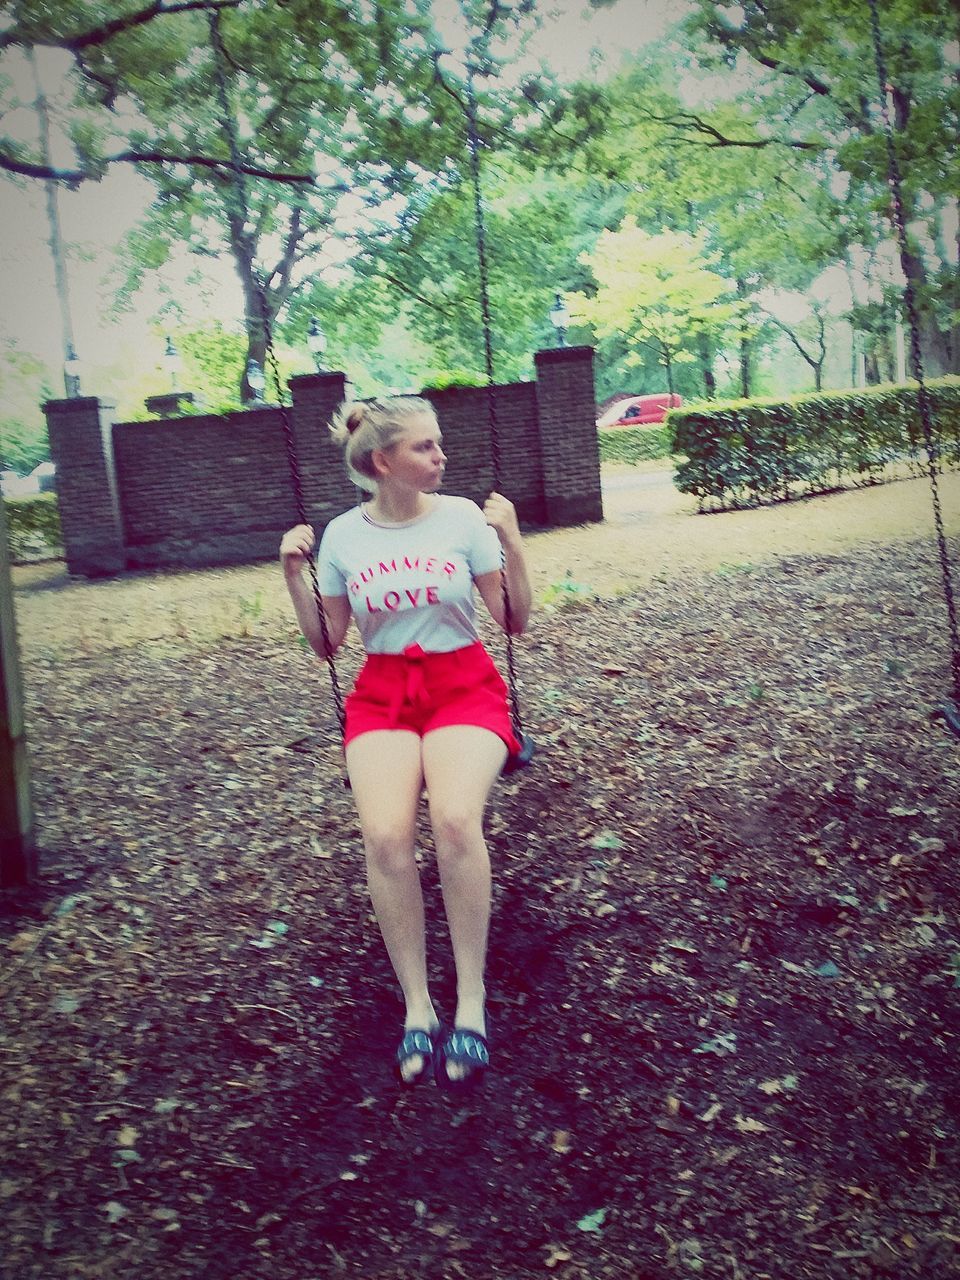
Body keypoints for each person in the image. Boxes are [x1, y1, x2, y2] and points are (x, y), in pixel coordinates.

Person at [279, 395, 532, 1090]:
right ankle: (418, 1007)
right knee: (386, 837)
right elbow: (327, 644)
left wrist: (511, 541)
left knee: (453, 820)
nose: (441, 457)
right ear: (381, 461)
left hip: (463, 683)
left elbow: (513, 620)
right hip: (383, 695)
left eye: (439, 444)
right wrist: (293, 577)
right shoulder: (344, 537)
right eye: (425, 448)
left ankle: (471, 1005)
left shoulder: (462, 521)